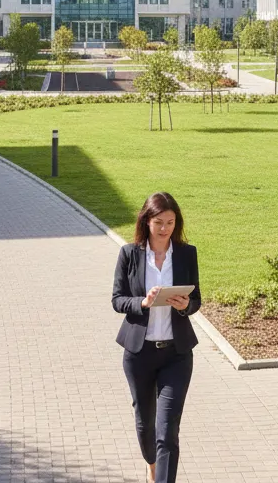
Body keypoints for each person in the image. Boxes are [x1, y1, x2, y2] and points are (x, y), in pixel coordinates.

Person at [111, 192, 201, 483]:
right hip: (140, 354)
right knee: (145, 425)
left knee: (167, 430)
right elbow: (117, 300)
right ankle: (151, 465)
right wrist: (143, 303)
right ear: (146, 221)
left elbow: (196, 299)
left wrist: (186, 305)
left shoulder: (187, 254)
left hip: (177, 354)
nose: (165, 229)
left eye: (171, 222)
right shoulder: (129, 254)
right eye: (159, 222)